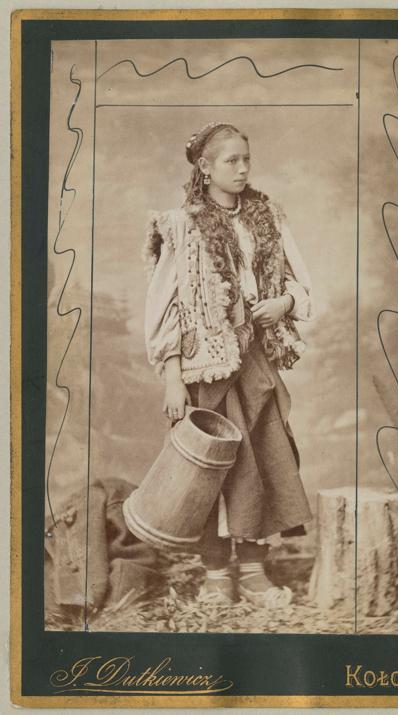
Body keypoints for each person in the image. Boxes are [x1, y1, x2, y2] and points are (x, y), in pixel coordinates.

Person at [143, 122, 313, 608]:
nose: (241, 169)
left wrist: (283, 303)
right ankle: (217, 574)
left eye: (246, 159)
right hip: (205, 367)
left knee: (264, 460)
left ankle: (255, 571)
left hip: (256, 361)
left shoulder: (266, 218)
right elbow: (165, 307)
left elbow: (299, 282)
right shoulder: (182, 226)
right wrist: (173, 377)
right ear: (205, 166)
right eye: (230, 160)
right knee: (210, 470)